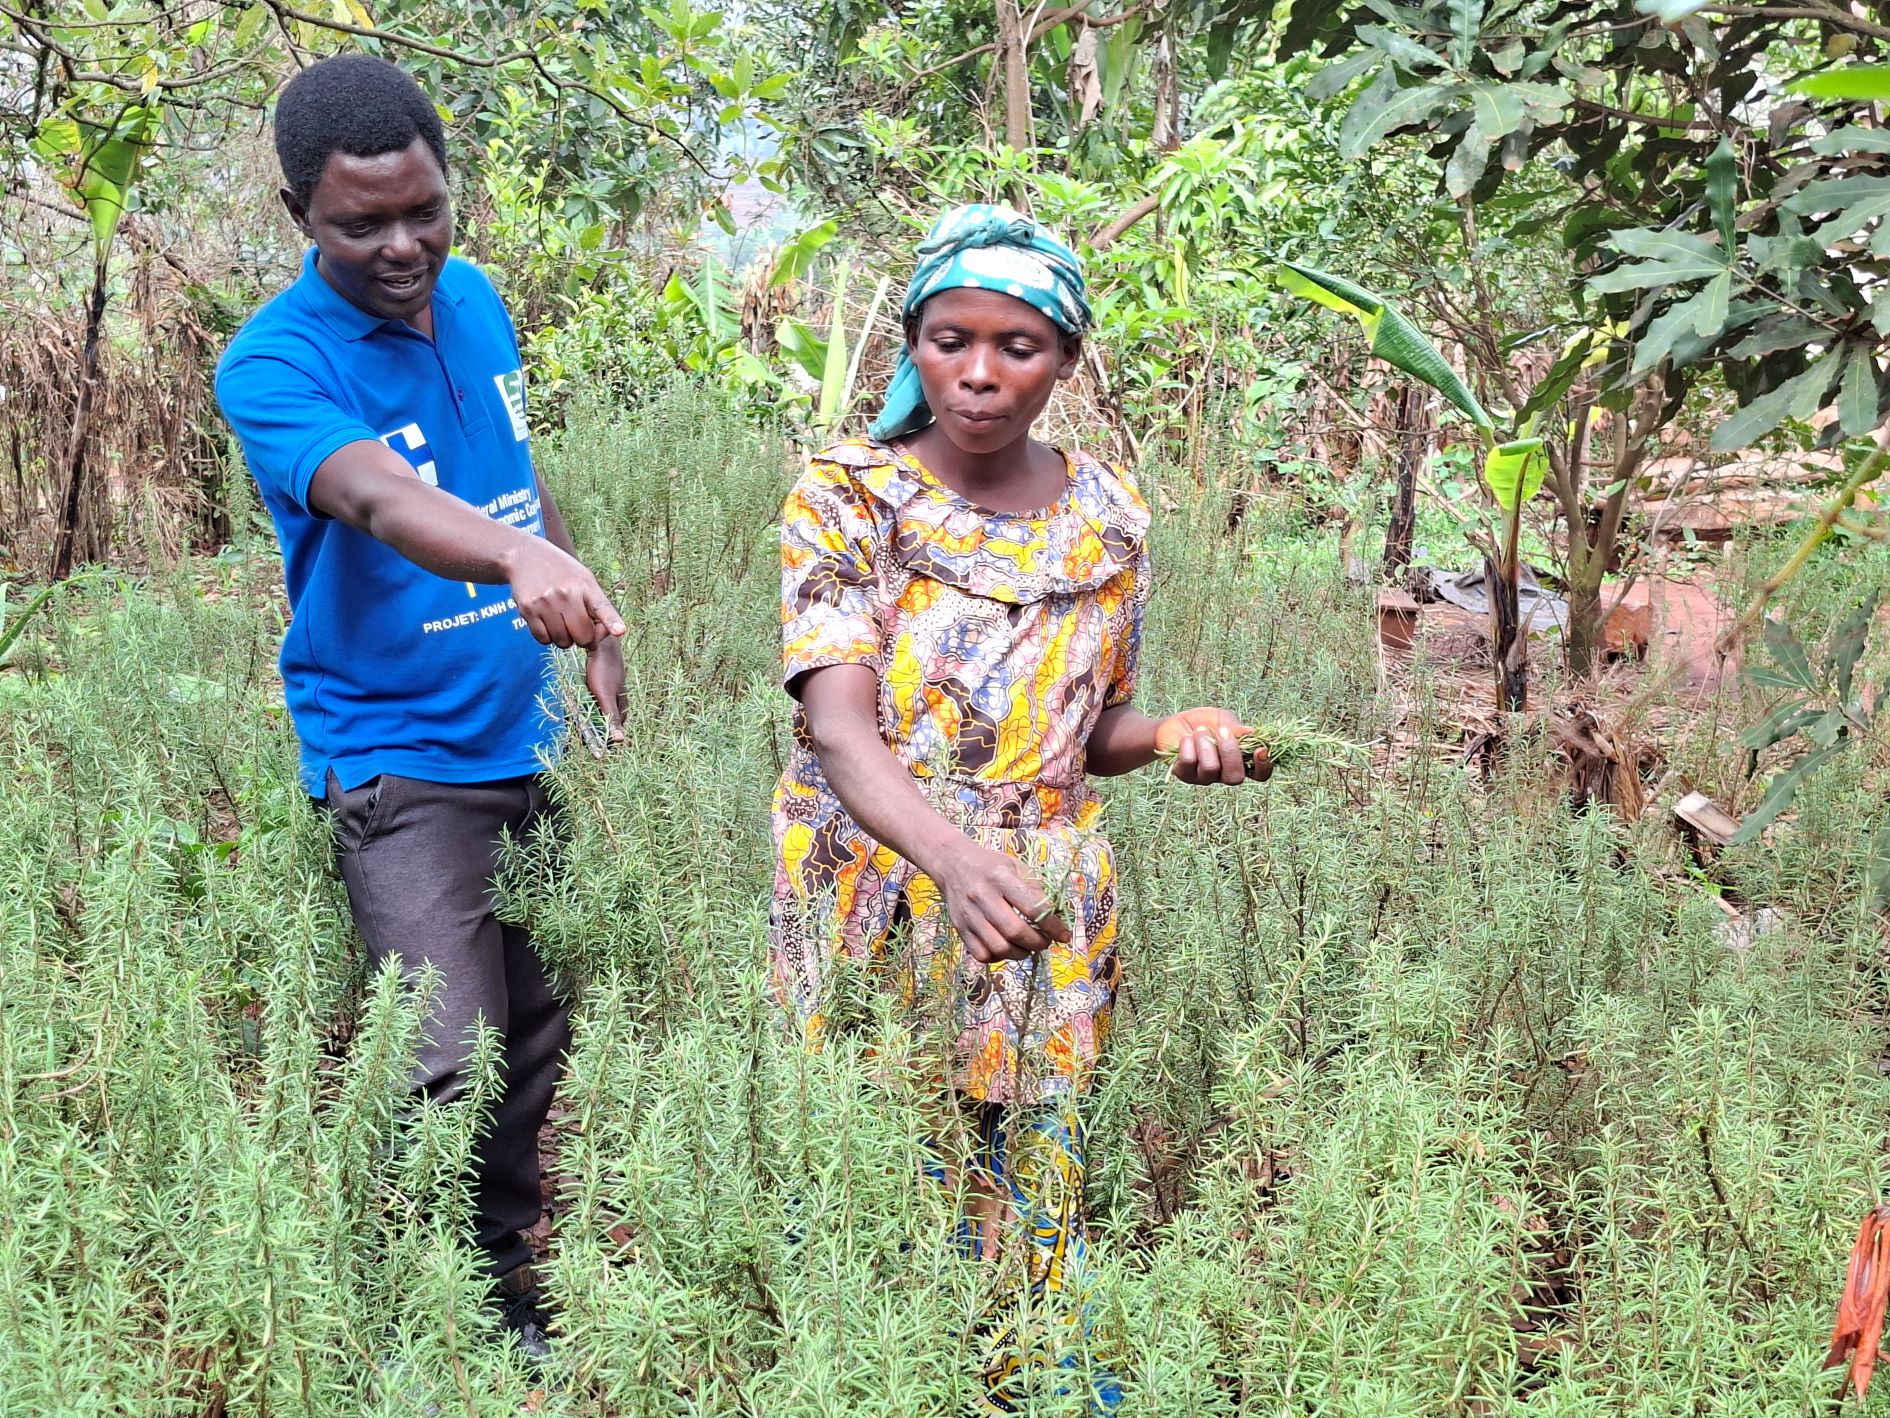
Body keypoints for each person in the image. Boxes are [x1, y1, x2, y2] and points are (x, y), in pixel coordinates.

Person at [769, 202, 1271, 1413]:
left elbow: (1084, 732)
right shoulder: (851, 498)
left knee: (1032, 1146)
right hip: (872, 874)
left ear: (1067, 359)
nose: (980, 374)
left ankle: (1038, 1375)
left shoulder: (1108, 518)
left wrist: (1180, 735)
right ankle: (869, 1374)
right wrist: (952, 859)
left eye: (1018, 346)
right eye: (950, 340)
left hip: (1043, 886)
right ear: (913, 340)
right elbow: (840, 725)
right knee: (863, 1148)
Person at [215, 53, 625, 1359]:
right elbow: (384, 500)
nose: (403, 247)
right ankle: (424, 1306)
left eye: (425, 210)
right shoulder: (274, 365)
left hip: (518, 725)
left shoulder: (479, 300)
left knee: (536, 1025)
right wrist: (517, 564)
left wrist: (577, 595)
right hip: (397, 754)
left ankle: (498, 1278)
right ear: (298, 216)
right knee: (448, 1050)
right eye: (360, 223)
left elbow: (510, 475)